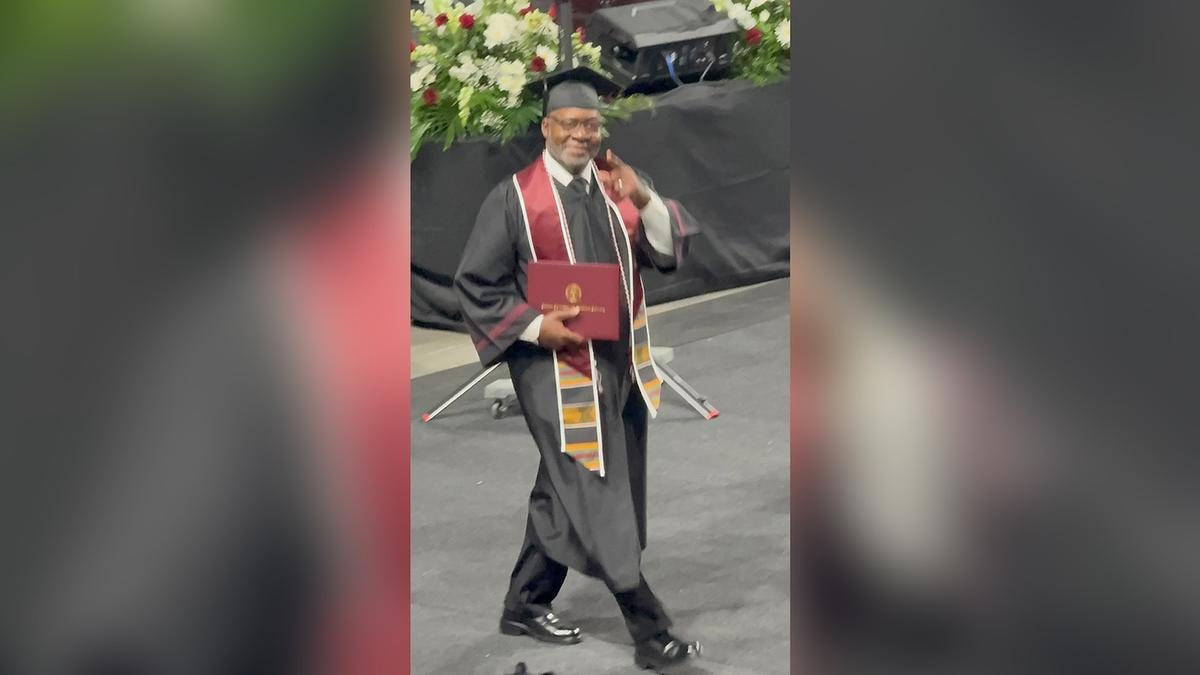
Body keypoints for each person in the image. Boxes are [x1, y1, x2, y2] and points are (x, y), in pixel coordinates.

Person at [453, 66, 702, 671]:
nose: (582, 135)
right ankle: (649, 630)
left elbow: (667, 250)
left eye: (591, 124)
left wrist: (642, 195)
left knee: (566, 485)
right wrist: (538, 326)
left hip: (620, 361)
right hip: (556, 369)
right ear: (546, 127)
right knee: (597, 487)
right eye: (570, 123)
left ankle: (525, 601)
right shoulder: (513, 199)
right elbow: (476, 285)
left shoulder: (617, 187)